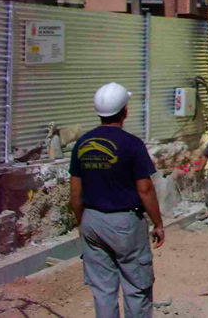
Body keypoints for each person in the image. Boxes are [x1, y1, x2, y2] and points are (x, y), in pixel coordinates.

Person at [70, 82, 165, 318]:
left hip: (92, 220)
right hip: (124, 223)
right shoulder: (132, 144)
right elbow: (145, 189)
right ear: (124, 110)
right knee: (136, 287)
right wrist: (158, 223)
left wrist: (82, 221)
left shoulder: (82, 143)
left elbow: (75, 190)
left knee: (103, 290)